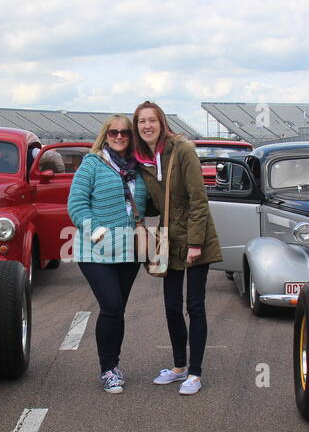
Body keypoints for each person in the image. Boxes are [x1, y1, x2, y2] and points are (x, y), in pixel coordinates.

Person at [133, 100, 221, 396]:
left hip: (195, 238)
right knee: (171, 307)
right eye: (141, 121)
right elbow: (149, 201)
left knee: (194, 306)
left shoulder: (182, 150)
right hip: (168, 240)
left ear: (161, 123)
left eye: (151, 120)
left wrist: (195, 243)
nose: (147, 126)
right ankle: (179, 367)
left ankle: (195, 373)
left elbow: (199, 199)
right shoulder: (142, 159)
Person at [67, 115, 147, 394]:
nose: (119, 136)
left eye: (125, 132)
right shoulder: (92, 164)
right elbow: (76, 204)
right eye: (113, 132)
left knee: (118, 311)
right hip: (95, 250)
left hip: (128, 250)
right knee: (111, 305)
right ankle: (108, 370)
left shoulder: (139, 167)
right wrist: (96, 231)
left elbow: (149, 202)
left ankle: (114, 363)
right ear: (105, 135)